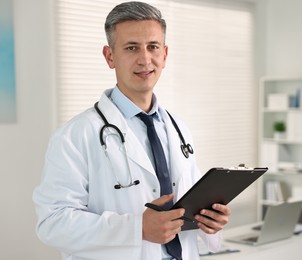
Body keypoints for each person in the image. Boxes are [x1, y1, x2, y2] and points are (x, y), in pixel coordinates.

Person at [33, 1, 231, 260]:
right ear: (110, 56)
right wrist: (136, 228)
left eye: (153, 47)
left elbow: (187, 203)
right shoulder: (75, 136)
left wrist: (210, 219)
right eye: (131, 48)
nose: (145, 59)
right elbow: (52, 224)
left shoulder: (178, 128)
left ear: (165, 54)